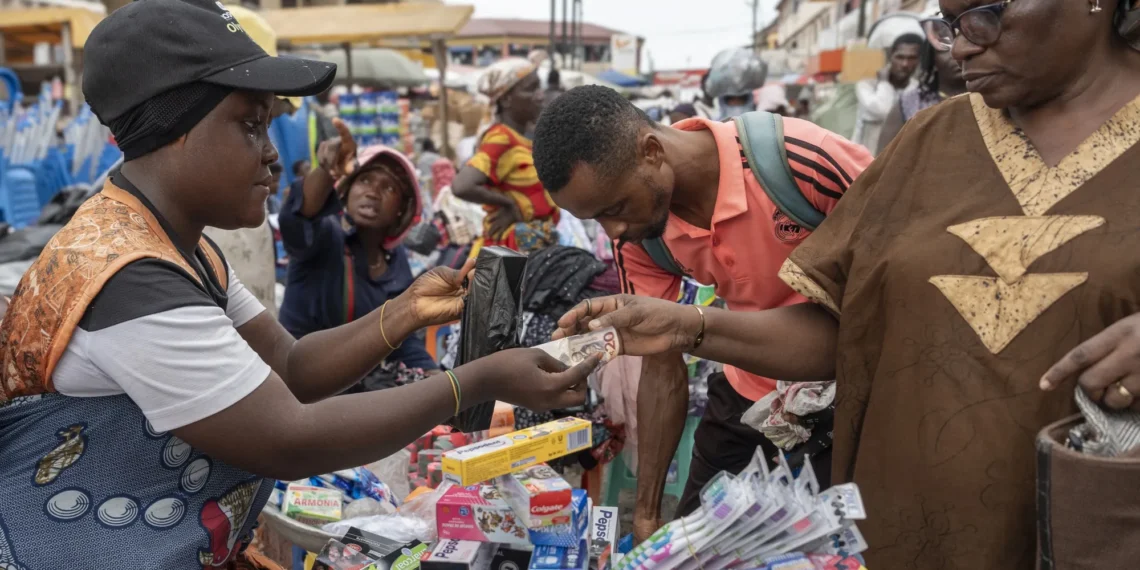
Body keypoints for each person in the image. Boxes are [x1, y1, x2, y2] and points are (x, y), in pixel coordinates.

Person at [0, 2, 598, 567]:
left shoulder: (184, 247)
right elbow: (288, 437)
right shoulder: (132, 274)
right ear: (172, 128)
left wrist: (406, 310)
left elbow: (290, 366)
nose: (271, 156)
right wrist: (479, 379)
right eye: (250, 126)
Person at [550, 0, 1140, 565]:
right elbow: (841, 333)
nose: (961, 43)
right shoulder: (928, 145)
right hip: (900, 516)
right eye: (949, 20)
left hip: (1087, 517)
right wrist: (687, 326)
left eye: (989, 11)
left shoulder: (797, 158)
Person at [531, 85, 873, 543]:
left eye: (614, 208)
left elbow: (901, 292)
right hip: (746, 395)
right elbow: (660, 364)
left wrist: (687, 327)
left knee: (839, 547)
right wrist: (650, 512)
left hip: (851, 396)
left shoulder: (803, 161)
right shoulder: (641, 236)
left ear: (651, 151)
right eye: (596, 219)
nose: (613, 230)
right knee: (695, 546)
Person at [279, 123, 438, 385]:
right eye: (364, 180)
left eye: (389, 188)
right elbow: (298, 219)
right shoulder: (325, 236)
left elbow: (404, 337)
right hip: (302, 387)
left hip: (357, 393)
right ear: (348, 188)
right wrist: (327, 172)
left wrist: (439, 381)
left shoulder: (395, 260)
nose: (372, 192)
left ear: (402, 208)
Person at [453, 57, 559, 255]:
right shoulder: (501, 138)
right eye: (531, 88)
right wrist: (509, 204)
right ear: (507, 99)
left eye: (539, 87)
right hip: (510, 253)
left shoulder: (520, 138)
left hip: (529, 249)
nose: (539, 96)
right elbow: (462, 186)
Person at [876, 33, 967, 152]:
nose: (957, 55)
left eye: (964, 45)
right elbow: (882, 158)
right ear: (932, 58)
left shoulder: (989, 100)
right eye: (945, 49)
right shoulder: (909, 104)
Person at [851, 33, 922, 154]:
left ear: (918, 60)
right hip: (865, 159)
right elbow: (883, 110)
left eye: (911, 58)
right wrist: (884, 83)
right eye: (900, 57)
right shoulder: (867, 85)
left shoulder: (917, 88)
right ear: (890, 57)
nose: (905, 64)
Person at [704, 48, 769, 120]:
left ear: (749, 99)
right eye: (730, 98)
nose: (736, 102)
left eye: (742, 98)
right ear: (722, 101)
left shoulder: (760, 122)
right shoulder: (714, 126)